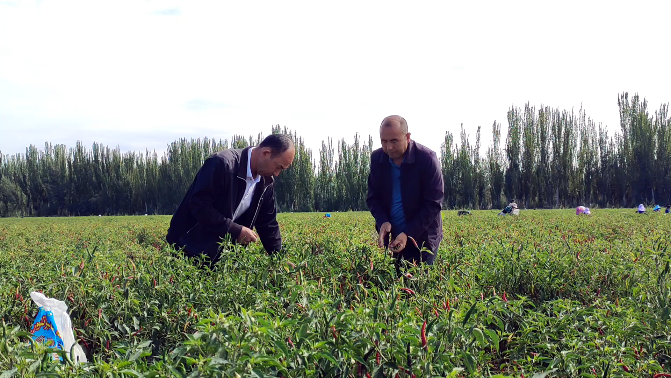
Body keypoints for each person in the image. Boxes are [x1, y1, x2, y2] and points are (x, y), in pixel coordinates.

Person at [166, 134, 295, 263]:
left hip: (219, 256)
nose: (277, 173)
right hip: (186, 247)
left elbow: (268, 223)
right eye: (278, 167)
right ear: (266, 153)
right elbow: (199, 205)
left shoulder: (266, 182)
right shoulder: (223, 164)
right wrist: (234, 230)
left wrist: (280, 259)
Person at [367, 115, 444, 268]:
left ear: (407, 137)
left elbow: (433, 203)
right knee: (397, 284)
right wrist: (383, 221)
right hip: (394, 238)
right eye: (384, 141)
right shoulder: (377, 159)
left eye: (394, 141)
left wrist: (408, 234)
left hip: (422, 239)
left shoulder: (427, 159)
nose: (388, 147)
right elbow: (373, 198)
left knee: (418, 285)